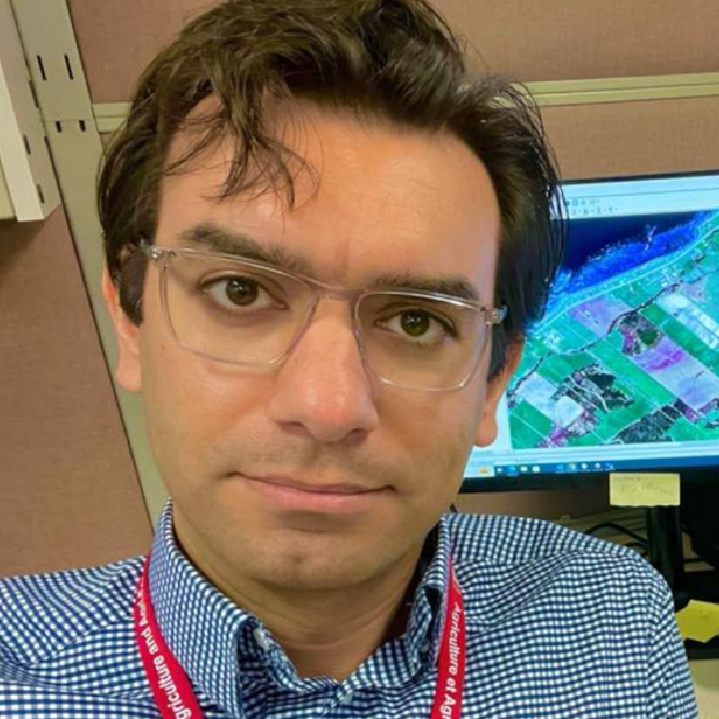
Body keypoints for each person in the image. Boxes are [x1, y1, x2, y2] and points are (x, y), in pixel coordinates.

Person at [0, 1, 698, 717]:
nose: (327, 407)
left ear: (494, 380)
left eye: (417, 320)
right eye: (240, 291)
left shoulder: (610, 616)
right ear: (131, 320)